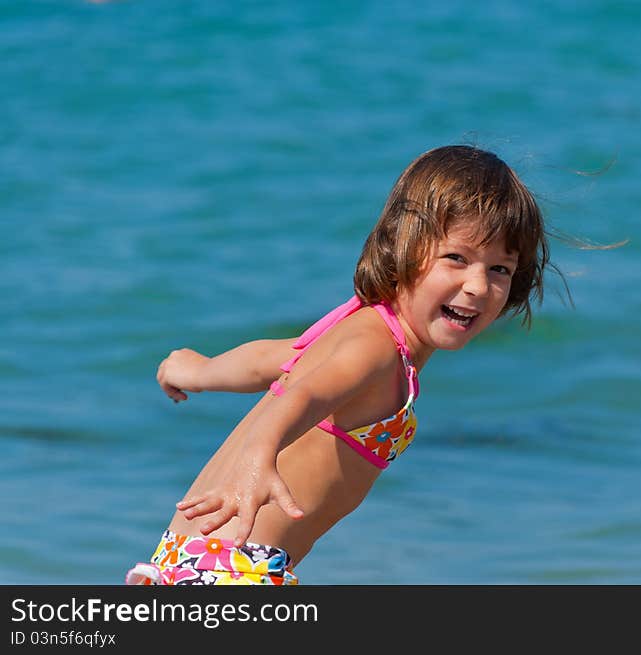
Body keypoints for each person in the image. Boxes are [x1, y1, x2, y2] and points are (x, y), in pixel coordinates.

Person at [125, 145, 556, 585]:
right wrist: (259, 456)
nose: (479, 286)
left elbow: (272, 361)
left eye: (500, 269)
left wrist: (198, 371)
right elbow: (303, 396)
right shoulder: (377, 349)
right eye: (456, 258)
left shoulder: (357, 325)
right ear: (404, 246)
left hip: (184, 559)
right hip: (236, 568)